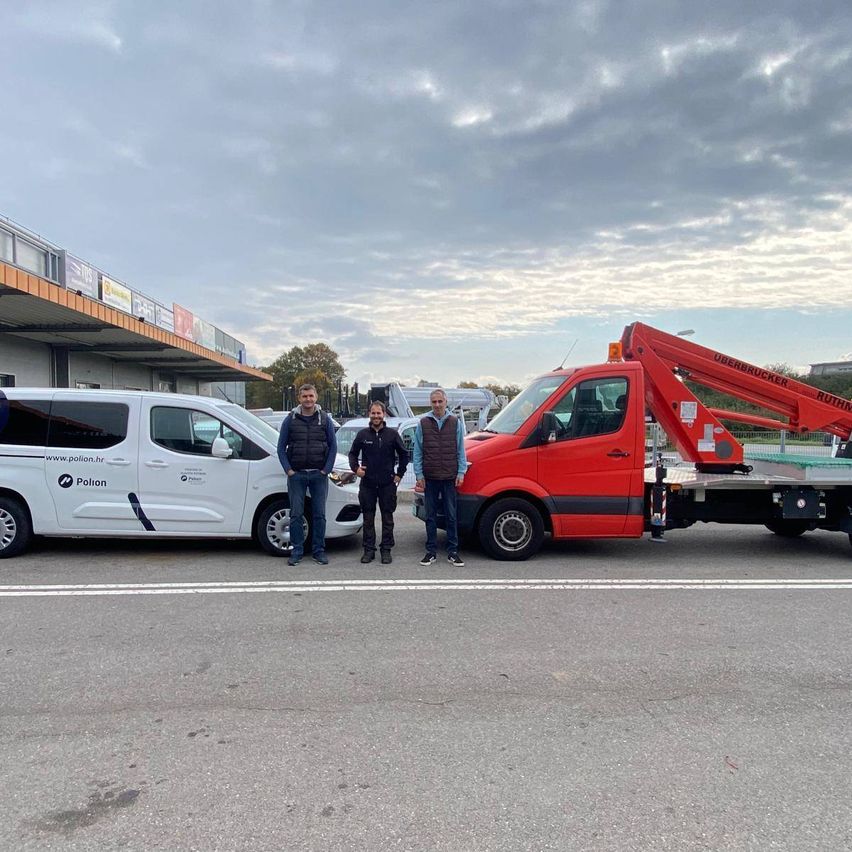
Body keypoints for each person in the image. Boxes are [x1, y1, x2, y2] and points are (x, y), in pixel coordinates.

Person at [276, 383, 337, 566]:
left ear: (316, 397)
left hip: (319, 475)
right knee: (295, 514)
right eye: (304, 396)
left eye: (311, 396)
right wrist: (289, 471)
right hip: (297, 476)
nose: (308, 399)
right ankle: (297, 551)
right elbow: (280, 448)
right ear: (299, 398)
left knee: (319, 515)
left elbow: (333, 447)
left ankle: (319, 551)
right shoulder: (290, 419)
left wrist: (325, 470)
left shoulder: (324, 419)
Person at [348, 401, 409, 564]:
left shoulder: (392, 434)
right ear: (369, 414)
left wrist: (399, 474)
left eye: (379, 413)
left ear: (384, 414)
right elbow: (352, 454)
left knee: (387, 518)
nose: (376, 416)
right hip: (367, 483)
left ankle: (386, 549)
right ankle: (369, 550)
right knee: (368, 518)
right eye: (373, 413)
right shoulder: (362, 435)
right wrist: (356, 469)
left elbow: (404, 455)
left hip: (387, 484)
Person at [413, 388, 468, 567]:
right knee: (430, 516)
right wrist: (419, 474)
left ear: (445, 402)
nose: (437, 405)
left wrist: (461, 472)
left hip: (450, 477)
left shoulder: (455, 422)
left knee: (451, 516)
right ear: (431, 403)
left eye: (440, 401)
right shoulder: (423, 423)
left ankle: (453, 552)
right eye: (434, 402)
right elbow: (418, 451)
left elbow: (461, 450)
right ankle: (431, 552)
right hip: (430, 477)